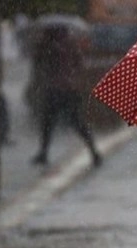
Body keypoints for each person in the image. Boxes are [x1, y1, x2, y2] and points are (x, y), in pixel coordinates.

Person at [30, 25, 102, 167]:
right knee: (77, 122)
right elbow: (79, 64)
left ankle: (44, 153)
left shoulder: (51, 46)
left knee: (49, 123)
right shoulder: (71, 43)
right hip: (71, 89)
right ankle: (94, 152)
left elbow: (40, 63)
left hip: (56, 89)